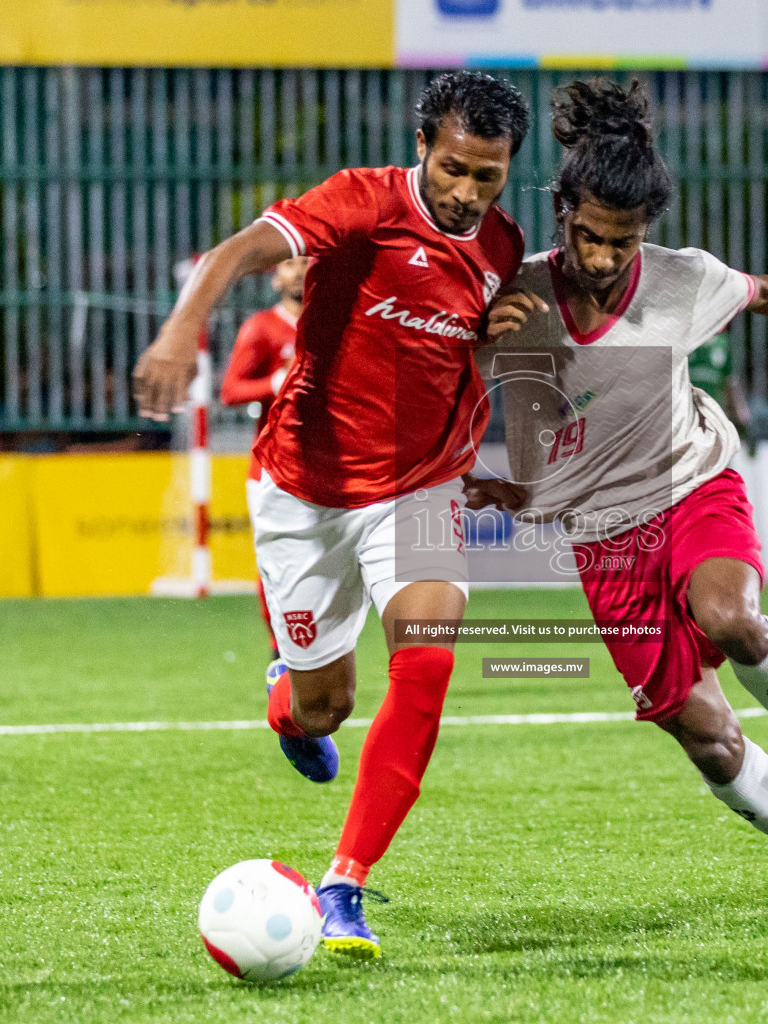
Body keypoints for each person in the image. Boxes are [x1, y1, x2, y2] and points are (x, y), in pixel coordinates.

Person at [471, 79, 768, 930]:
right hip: (603, 538)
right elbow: (469, 381)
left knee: (728, 615)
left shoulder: (680, 280)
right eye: (588, 236)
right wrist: (505, 466)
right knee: (710, 742)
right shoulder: (518, 298)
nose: (605, 259)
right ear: (561, 210)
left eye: (623, 242)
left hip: (694, 482)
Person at [132, 71, 530, 959]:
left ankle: (343, 885)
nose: (467, 194)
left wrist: (496, 338)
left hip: (422, 488)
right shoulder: (360, 202)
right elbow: (236, 252)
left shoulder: (502, 246)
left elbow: (467, 343)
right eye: (455, 169)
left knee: (427, 662)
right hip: (303, 489)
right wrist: (177, 333)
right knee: (325, 708)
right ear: (422, 146)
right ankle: (288, 692)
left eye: (488, 177)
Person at [220, 256, 309, 665]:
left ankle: (320, 645)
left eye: (309, 261)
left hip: (332, 467)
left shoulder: (339, 323)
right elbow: (231, 390)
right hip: (272, 469)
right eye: (290, 264)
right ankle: (280, 647)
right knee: (275, 560)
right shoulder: (262, 328)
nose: (301, 270)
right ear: (275, 278)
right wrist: (277, 381)